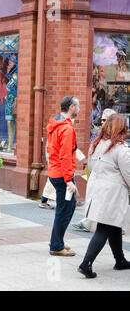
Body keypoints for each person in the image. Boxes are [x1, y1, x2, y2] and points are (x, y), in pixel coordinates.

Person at [78, 113, 130, 278]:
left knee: (113, 225)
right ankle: (86, 264)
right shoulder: (121, 149)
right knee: (104, 228)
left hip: (98, 190)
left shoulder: (96, 144)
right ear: (122, 129)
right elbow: (129, 174)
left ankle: (120, 260)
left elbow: (92, 166)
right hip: (113, 193)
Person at [72, 108, 117, 232]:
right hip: (97, 173)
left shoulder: (115, 140)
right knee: (95, 197)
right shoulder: (101, 136)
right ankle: (89, 221)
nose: (101, 122)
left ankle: (114, 225)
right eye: (101, 120)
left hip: (108, 177)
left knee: (105, 201)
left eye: (103, 120)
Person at [46, 95, 80, 256]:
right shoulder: (66, 128)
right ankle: (56, 245)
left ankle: (56, 239)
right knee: (65, 208)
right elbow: (65, 155)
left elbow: (51, 149)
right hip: (62, 174)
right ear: (71, 107)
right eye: (77, 106)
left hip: (55, 171)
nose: (79, 109)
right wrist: (69, 180)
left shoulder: (56, 124)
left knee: (67, 206)